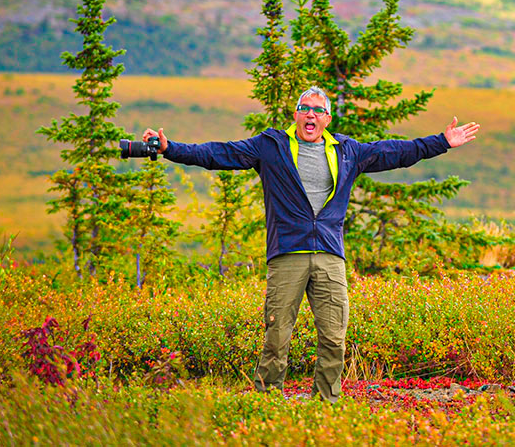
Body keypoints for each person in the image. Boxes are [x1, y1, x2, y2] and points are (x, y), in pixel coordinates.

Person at [141, 86, 479, 402]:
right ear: (296, 114)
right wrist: (171, 149)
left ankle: (325, 403)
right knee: (277, 336)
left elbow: (395, 151)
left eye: (318, 110)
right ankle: (267, 400)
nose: (310, 115)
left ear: (327, 119)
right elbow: (219, 153)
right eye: (304, 109)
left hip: (330, 255)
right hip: (287, 253)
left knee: (334, 336)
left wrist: (442, 141)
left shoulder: (348, 151)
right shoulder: (270, 146)